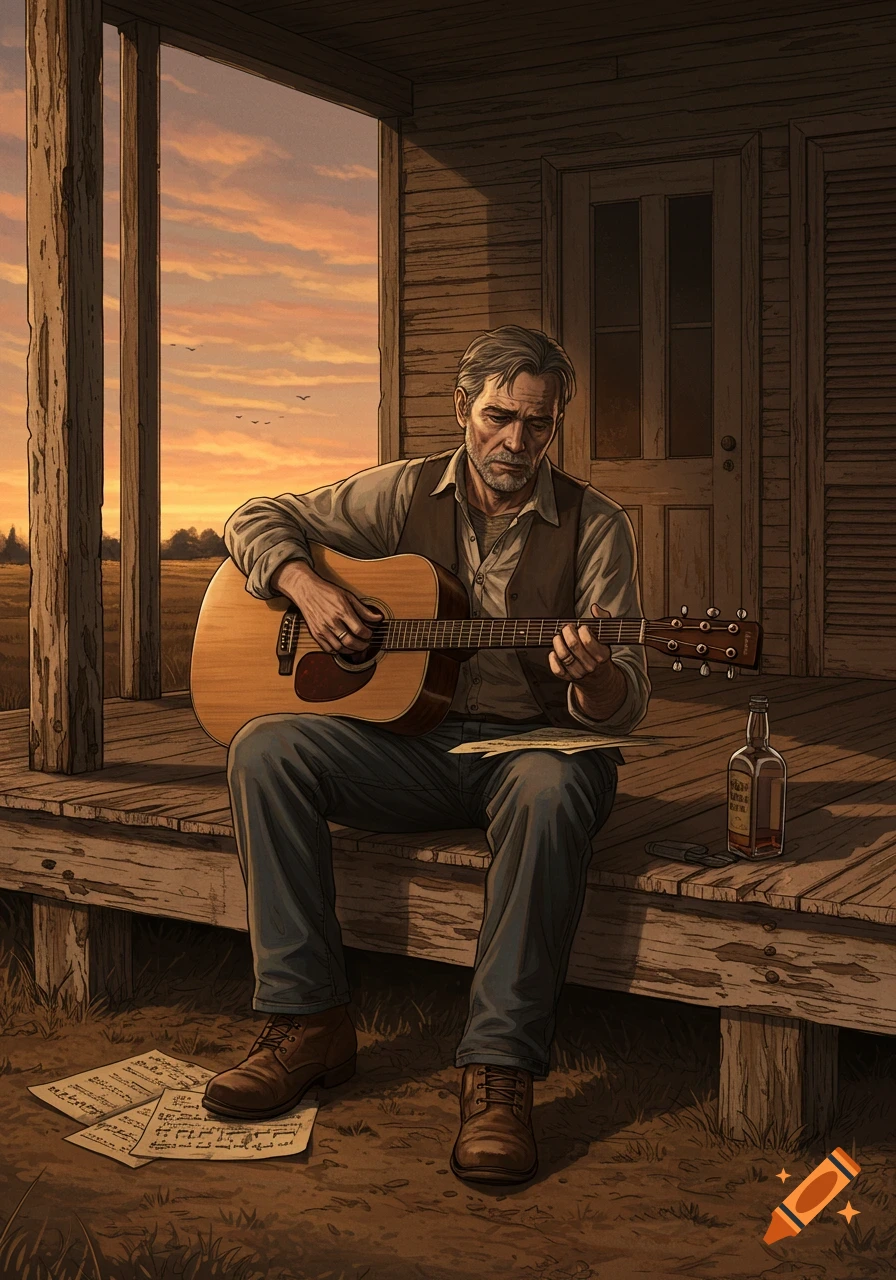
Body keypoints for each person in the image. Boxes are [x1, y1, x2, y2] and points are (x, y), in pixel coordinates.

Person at [203, 325, 651, 1186]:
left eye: (539, 424)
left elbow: (623, 700)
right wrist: (308, 586)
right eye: (498, 417)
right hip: (415, 745)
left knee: (554, 784)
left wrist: (591, 682)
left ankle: (499, 1071)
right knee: (265, 747)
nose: (517, 442)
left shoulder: (597, 525)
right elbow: (253, 517)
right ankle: (308, 1024)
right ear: (462, 409)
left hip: (535, 750)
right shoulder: (402, 491)